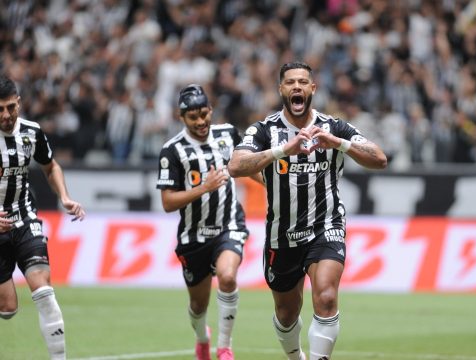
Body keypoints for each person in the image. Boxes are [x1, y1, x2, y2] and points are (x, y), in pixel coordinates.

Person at [228, 62, 388, 360]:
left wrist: (338, 143)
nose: (297, 87)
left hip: (326, 226)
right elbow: (236, 166)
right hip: (282, 235)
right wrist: (282, 151)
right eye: (290, 82)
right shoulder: (264, 130)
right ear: (282, 90)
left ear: (313, 88)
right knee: (286, 313)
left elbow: (379, 158)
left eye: (303, 81)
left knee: (326, 296)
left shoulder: (334, 126)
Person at [156, 84, 260, 360]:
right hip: (193, 235)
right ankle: (203, 337)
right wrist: (204, 187)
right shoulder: (172, 151)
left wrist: (273, 187)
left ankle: (225, 347)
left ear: (211, 110)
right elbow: (167, 203)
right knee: (197, 306)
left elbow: (246, 167)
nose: (201, 121)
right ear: (182, 117)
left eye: (204, 114)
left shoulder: (227, 134)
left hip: (229, 225)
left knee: (227, 277)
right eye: (193, 117)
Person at [0, 74, 86, 360]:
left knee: (44, 292)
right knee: (8, 308)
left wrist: (64, 197)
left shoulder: (31, 132)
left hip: (24, 218)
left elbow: (51, 167)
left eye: (10, 107)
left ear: (19, 103)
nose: (6, 115)